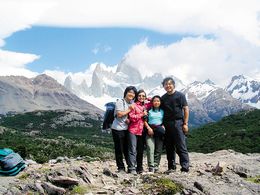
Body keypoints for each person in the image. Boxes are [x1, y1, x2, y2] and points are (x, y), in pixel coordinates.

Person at [161, 77, 190, 172]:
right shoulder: (163, 98)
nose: (168, 86)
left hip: (178, 122)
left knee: (181, 145)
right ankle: (171, 167)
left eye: (170, 84)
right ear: (164, 86)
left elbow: (186, 109)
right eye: (166, 84)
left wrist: (185, 123)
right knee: (169, 146)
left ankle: (185, 167)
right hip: (167, 124)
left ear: (173, 85)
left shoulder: (180, 95)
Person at [111, 86, 137, 173]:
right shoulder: (120, 101)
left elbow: (128, 116)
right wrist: (129, 109)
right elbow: (119, 114)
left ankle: (130, 167)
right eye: (130, 92)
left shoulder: (131, 103)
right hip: (117, 129)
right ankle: (121, 168)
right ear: (125, 93)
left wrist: (129, 120)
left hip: (127, 129)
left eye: (133, 93)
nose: (131, 94)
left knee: (126, 149)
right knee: (119, 149)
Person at [127, 89, 148, 174]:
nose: (141, 97)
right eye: (139, 95)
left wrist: (148, 98)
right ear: (136, 96)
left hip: (141, 131)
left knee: (140, 150)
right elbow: (132, 117)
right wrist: (142, 114)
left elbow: (150, 100)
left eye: (143, 96)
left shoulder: (144, 106)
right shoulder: (133, 105)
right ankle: (131, 168)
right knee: (132, 149)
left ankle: (139, 167)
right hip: (133, 130)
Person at [144, 95, 165, 173]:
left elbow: (165, 121)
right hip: (150, 130)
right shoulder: (148, 110)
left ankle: (156, 166)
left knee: (158, 149)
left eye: (158, 101)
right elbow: (144, 120)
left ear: (160, 102)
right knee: (150, 148)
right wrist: (149, 128)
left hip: (159, 131)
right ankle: (151, 166)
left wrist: (163, 126)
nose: (156, 102)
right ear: (152, 102)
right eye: (155, 101)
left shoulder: (163, 111)